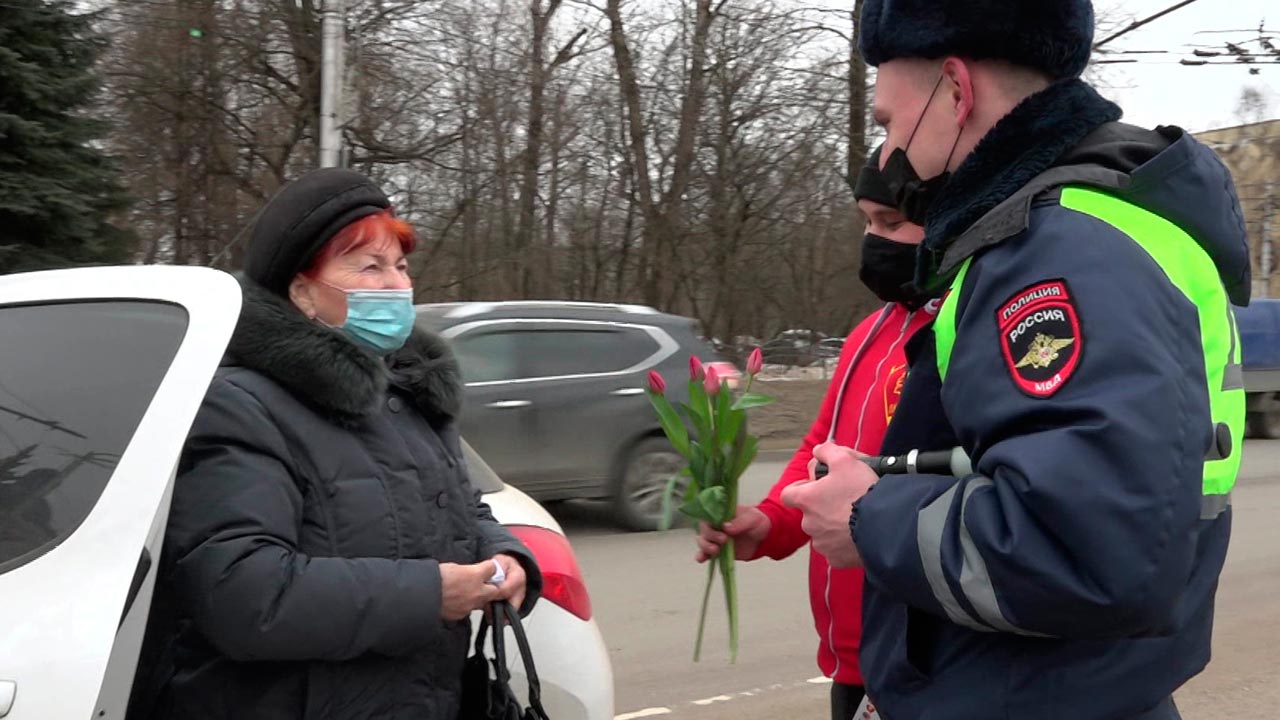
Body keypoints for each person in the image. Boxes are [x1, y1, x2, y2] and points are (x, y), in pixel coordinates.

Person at [780, 1, 1249, 719]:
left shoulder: (1058, 250)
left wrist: (869, 518)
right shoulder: (1088, 225)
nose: (887, 152)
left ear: (956, 90)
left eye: (886, 120)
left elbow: (1090, 551)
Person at [128, 168, 542, 720]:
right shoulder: (239, 403)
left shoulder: (407, 393)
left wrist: (506, 556)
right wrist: (430, 595)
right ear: (302, 291)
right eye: (370, 267)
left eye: (400, 266)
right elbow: (241, 592)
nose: (397, 285)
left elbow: (460, 507)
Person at [695, 147, 936, 720]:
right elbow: (818, 450)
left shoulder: (962, 331)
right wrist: (771, 522)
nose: (872, 240)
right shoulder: (866, 335)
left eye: (891, 222)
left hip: (918, 660)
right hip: (849, 663)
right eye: (865, 222)